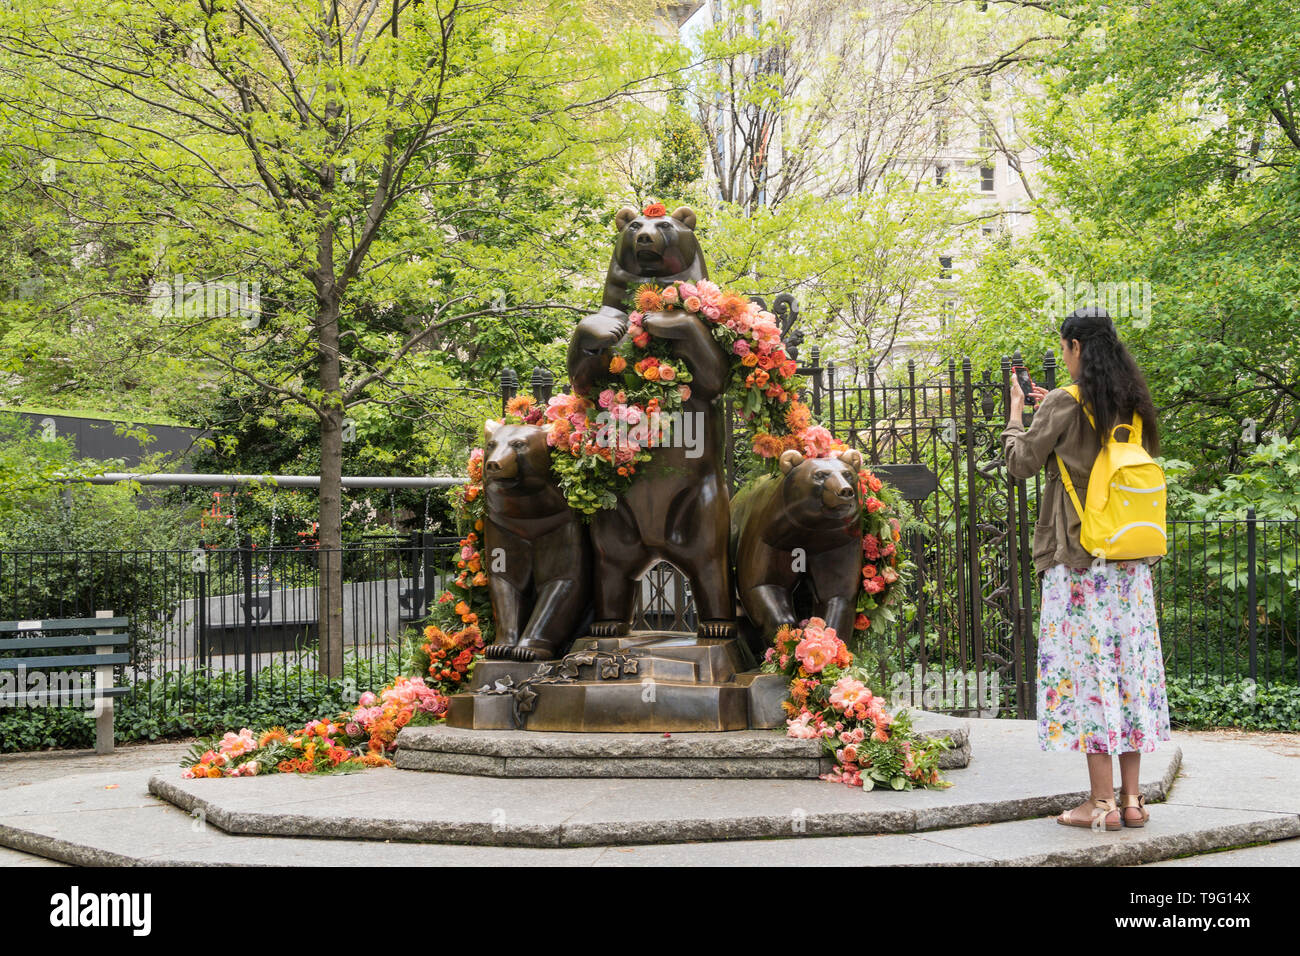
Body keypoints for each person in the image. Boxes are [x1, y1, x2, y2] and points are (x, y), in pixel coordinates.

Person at [1002, 306, 1171, 831]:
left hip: (1079, 567)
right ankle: (1133, 801)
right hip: (1129, 566)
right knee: (1127, 677)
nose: (1063, 357)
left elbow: (1019, 463)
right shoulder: (1131, 404)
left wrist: (1016, 412)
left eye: (1064, 349)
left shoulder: (1062, 402)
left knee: (1091, 679)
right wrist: (1047, 408)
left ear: (1076, 348)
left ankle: (1098, 804)